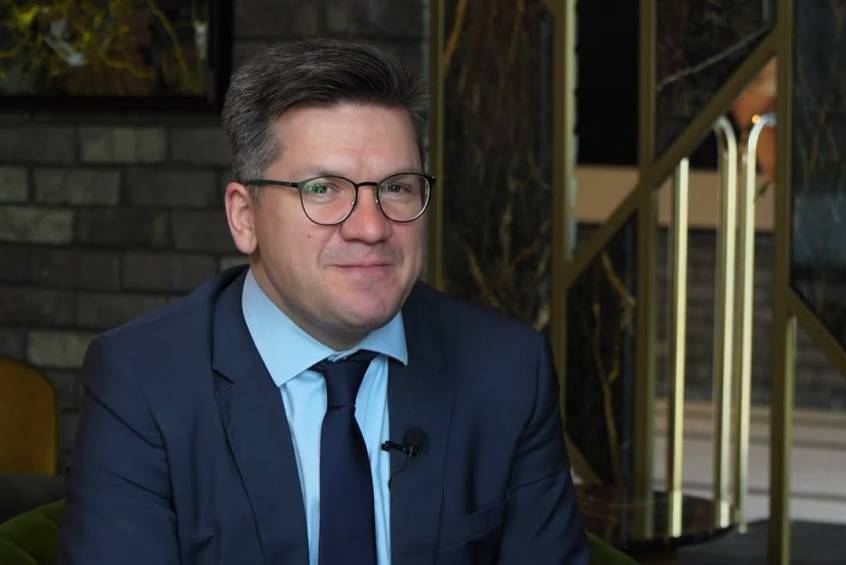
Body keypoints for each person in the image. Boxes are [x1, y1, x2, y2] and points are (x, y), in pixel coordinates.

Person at [59, 40, 589, 565]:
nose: (371, 228)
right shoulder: (143, 382)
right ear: (245, 217)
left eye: (397, 187)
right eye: (323, 189)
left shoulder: (508, 372)